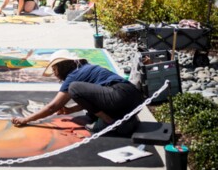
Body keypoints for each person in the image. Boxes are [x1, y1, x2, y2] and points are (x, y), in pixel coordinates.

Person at [11, 49, 143, 136]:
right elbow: (93, 96)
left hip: (119, 96)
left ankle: (109, 122)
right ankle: (123, 120)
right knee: (90, 113)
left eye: (54, 69)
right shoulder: (87, 68)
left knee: (74, 88)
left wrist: (26, 119)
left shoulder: (73, 76)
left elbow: (53, 107)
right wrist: (70, 110)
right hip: (134, 98)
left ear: (61, 66)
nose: (55, 74)